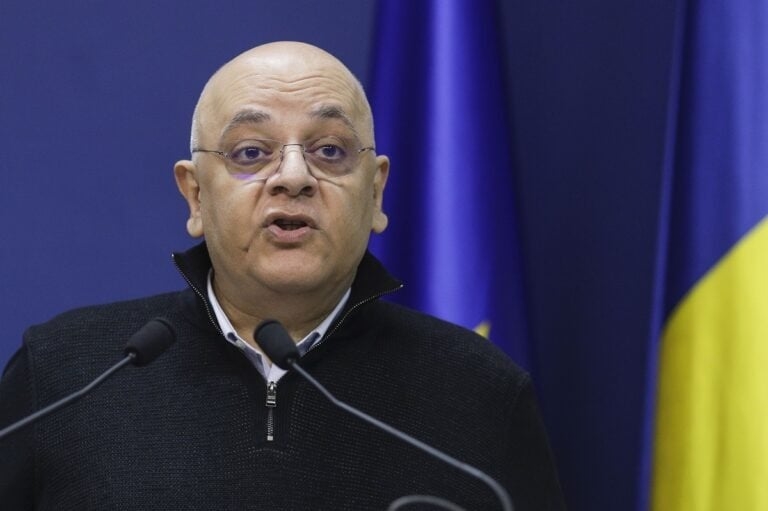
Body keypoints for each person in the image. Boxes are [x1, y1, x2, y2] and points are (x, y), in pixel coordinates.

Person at [0, 42, 565, 510]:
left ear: (375, 193)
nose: (293, 176)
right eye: (251, 152)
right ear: (195, 195)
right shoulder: (65, 373)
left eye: (330, 150)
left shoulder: (479, 390)